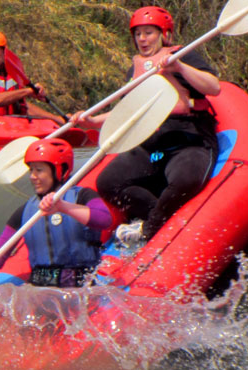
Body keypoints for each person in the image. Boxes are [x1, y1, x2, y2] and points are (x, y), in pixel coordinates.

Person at [71, 6, 221, 242]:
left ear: (164, 35)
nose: (142, 39)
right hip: (154, 148)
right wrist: (91, 121)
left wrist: (179, 67)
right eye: (138, 34)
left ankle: (149, 229)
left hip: (189, 141)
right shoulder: (136, 68)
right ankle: (157, 216)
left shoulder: (182, 55)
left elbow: (214, 87)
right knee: (108, 183)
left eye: (149, 32)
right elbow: (128, 113)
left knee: (185, 180)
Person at [0, 138, 112, 298]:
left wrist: (62, 207)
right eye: (31, 170)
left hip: (81, 282)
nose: (32, 176)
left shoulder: (82, 196)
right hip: (41, 285)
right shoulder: (25, 211)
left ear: (60, 171)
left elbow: (104, 219)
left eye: (39, 170)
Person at [0, 30, 64, 124]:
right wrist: (28, 91)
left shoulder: (12, 76)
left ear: (4, 53)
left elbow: (24, 107)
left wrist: (57, 119)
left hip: (10, 127)